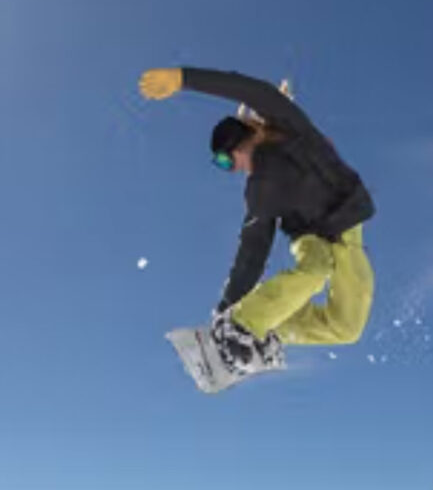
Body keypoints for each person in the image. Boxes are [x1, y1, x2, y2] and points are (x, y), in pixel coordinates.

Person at [138, 67, 375, 373]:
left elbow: (254, 91)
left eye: (225, 161)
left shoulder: (291, 127)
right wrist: (227, 309)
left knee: (347, 327)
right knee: (315, 270)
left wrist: (184, 78)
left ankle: (272, 327)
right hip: (309, 235)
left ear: (239, 142)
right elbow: (253, 249)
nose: (232, 169)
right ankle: (243, 325)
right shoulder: (259, 188)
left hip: (346, 222)